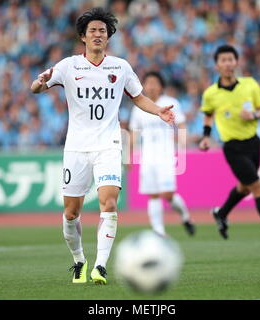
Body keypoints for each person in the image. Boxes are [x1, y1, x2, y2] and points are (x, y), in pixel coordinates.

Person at [30, 8, 175, 285]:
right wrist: (40, 82)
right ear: (83, 37)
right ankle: (79, 261)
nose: (98, 34)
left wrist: (158, 111)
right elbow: (36, 88)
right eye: (93, 31)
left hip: (108, 144)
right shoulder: (69, 66)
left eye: (102, 31)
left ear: (108, 37)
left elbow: (139, 97)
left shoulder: (120, 67)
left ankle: (100, 266)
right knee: (71, 213)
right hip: (76, 147)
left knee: (109, 202)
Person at [198, 45, 260, 250]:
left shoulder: (250, 84)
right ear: (217, 65)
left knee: (245, 187)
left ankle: (221, 213)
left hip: (253, 143)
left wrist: (254, 115)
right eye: (223, 60)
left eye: (231, 59)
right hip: (233, 147)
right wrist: (206, 137)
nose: (227, 63)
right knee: (257, 188)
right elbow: (208, 114)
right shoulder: (211, 93)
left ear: (236, 62)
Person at [129, 71, 195, 237]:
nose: (151, 86)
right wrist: (128, 156)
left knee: (167, 194)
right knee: (153, 194)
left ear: (161, 85)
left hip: (166, 155)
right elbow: (133, 134)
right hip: (147, 157)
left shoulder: (170, 103)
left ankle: (185, 216)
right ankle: (159, 232)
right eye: (148, 82)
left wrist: (182, 143)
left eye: (154, 82)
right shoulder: (139, 107)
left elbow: (180, 125)